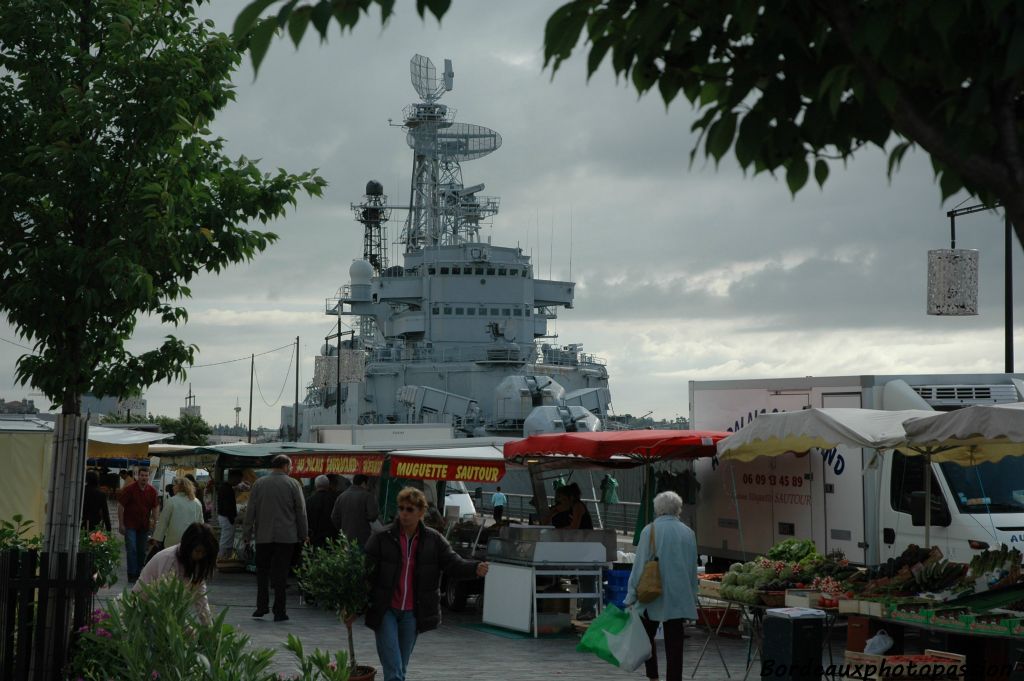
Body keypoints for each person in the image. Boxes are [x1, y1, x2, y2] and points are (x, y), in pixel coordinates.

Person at [364, 487, 489, 681]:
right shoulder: (383, 537)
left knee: (401, 668)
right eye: (401, 508)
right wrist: (354, 607)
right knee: (394, 670)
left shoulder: (433, 539)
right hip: (385, 609)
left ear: (421, 512)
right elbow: (365, 573)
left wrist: (474, 568)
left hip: (412, 612)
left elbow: (452, 563)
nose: (404, 514)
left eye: (410, 510)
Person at [623, 491, 698, 681]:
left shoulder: (650, 530)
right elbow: (692, 569)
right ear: (678, 509)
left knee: (646, 638)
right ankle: (674, 678)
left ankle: (653, 676)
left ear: (657, 509)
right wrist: (692, 598)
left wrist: (631, 596)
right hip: (678, 596)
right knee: (675, 643)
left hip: (652, 594)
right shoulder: (688, 533)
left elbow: (639, 565)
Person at [241, 455, 308, 622]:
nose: (291, 469)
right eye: (290, 466)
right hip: (287, 537)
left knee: (262, 573)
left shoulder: (259, 484)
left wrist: (247, 535)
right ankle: (280, 611)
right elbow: (301, 512)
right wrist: (304, 534)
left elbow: (250, 511)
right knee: (281, 574)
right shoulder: (293, 484)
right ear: (285, 466)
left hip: (263, 536)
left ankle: (261, 607)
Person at [133, 522, 218, 625]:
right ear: (188, 546)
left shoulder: (197, 563)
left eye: (204, 553)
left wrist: (208, 627)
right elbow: (165, 602)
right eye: (198, 551)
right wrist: (186, 629)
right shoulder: (169, 560)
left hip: (165, 613)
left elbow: (200, 598)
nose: (200, 556)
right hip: (141, 609)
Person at [117, 467, 158, 583]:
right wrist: (121, 524)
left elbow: (155, 507)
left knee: (141, 550)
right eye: (142, 475)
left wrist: (155, 522)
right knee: (132, 549)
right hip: (130, 524)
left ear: (148, 477)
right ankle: (132, 573)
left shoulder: (152, 491)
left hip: (144, 525)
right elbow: (121, 505)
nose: (144, 478)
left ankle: (140, 572)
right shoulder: (130, 489)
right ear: (137, 476)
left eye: (146, 476)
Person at [152, 477, 205, 550]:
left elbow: (163, 521)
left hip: (173, 540)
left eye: (174, 485)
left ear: (179, 487)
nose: (173, 487)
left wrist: (157, 538)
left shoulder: (172, 501)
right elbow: (201, 523)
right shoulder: (197, 502)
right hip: (191, 540)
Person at [330, 474, 378, 548]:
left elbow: (334, 517)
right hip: (363, 537)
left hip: (345, 537)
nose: (368, 486)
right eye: (367, 484)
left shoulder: (341, 496)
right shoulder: (367, 496)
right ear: (363, 483)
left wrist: (342, 528)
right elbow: (373, 515)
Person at [306, 475, 338, 548]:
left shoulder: (309, 501)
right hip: (332, 538)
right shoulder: (334, 499)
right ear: (328, 485)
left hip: (314, 538)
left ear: (315, 485)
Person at [216, 469, 242, 559]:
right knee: (226, 540)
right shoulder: (227, 489)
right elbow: (228, 507)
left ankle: (225, 558)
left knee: (227, 539)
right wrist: (233, 519)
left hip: (224, 516)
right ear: (233, 477)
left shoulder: (225, 487)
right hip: (226, 517)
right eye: (239, 479)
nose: (239, 482)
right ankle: (221, 559)